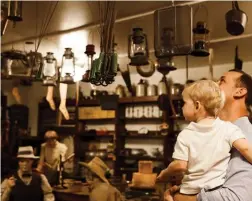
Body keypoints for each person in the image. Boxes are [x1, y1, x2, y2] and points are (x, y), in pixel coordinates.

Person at [157, 79, 252, 200]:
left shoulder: (186, 134)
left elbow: (180, 166)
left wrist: (164, 174)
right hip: (216, 189)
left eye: (184, 103)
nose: (182, 107)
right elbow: (245, 148)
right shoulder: (229, 128)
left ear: (197, 105)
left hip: (189, 192)